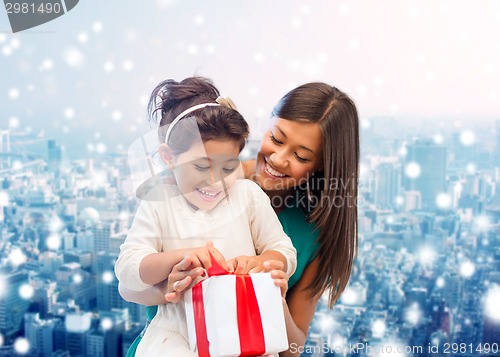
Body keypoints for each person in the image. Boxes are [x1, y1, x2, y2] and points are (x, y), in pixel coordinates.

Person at [119, 81, 360, 357]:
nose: (279, 159)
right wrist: (174, 286)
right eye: (277, 139)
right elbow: (128, 284)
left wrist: (271, 295)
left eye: (301, 155)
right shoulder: (188, 182)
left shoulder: (309, 232)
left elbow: (292, 349)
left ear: (322, 165)